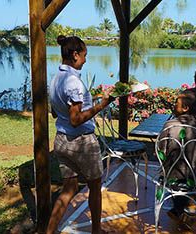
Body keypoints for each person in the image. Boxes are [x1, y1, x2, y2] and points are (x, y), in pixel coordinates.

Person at [47, 35, 113, 234]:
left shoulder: (56, 78)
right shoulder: (73, 82)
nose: (85, 60)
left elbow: (54, 112)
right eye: (84, 55)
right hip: (81, 143)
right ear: (75, 54)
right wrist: (101, 105)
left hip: (61, 141)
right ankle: (96, 231)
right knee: (95, 186)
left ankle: (48, 231)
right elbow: (75, 120)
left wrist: (87, 102)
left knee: (68, 190)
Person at [159, 90, 196, 219]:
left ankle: (179, 208)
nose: (173, 105)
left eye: (176, 103)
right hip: (195, 175)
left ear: (185, 108)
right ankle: (189, 203)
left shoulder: (168, 125)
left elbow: (161, 150)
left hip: (171, 175)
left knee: (175, 170)